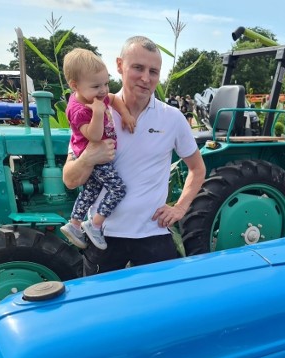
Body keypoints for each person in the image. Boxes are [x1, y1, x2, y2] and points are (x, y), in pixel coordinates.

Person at [62, 36, 206, 276]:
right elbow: (69, 180)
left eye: (154, 71)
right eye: (138, 68)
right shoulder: (91, 113)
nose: (146, 78)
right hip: (103, 238)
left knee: (161, 308)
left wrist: (180, 208)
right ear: (120, 66)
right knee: (103, 308)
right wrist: (88, 157)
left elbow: (198, 169)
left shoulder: (172, 118)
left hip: (153, 235)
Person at [60, 48, 136, 251]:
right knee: (118, 189)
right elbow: (93, 136)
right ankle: (94, 225)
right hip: (94, 155)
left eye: (106, 83)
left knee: (92, 189)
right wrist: (98, 113)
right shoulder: (79, 110)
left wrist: (126, 114)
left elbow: (114, 98)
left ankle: (74, 223)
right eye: (96, 86)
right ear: (74, 85)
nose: (103, 90)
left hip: (97, 155)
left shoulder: (94, 96)